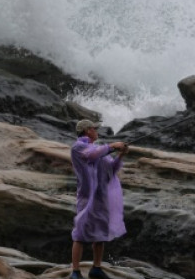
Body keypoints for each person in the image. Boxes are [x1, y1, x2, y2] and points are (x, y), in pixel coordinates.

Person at [69, 119, 128, 279]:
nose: (97, 131)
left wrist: (120, 154)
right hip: (86, 197)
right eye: (95, 128)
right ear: (87, 130)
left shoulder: (98, 149)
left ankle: (96, 268)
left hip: (101, 197)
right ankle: (75, 271)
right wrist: (112, 146)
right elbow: (91, 155)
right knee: (80, 234)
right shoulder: (78, 147)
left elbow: (112, 169)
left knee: (100, 234)